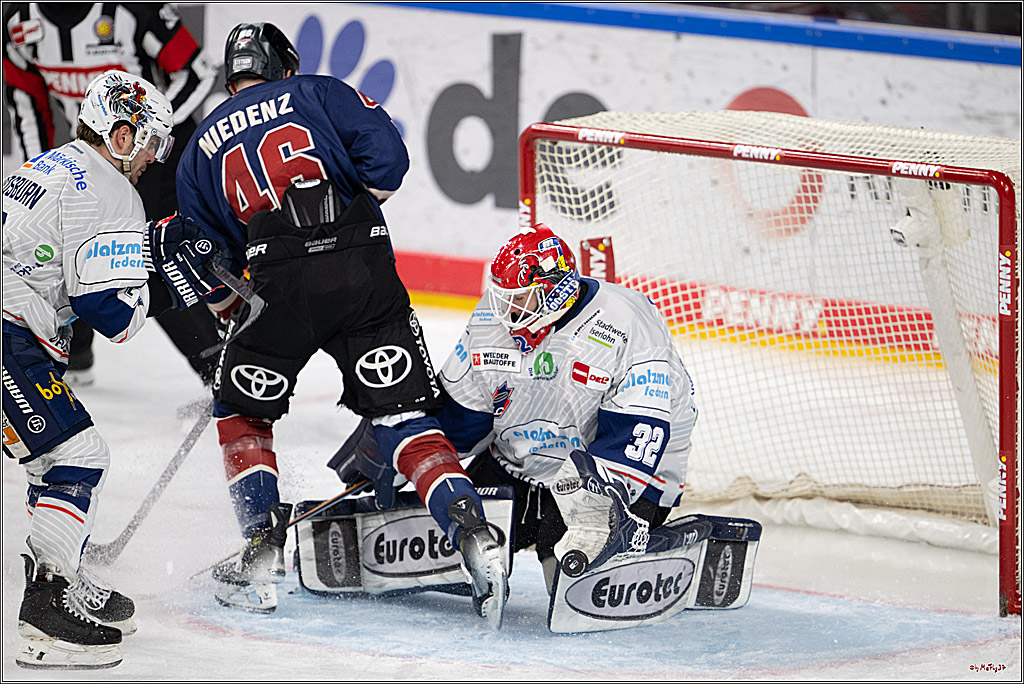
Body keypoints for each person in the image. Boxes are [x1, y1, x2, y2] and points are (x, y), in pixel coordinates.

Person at [175, 22, 506, 624]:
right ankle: (474, 536)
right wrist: (342, 220)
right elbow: (390, 163)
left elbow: (203, 252)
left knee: (243, 415)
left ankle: (259, 553)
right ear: (285, 64)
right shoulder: (320, 91)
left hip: (277, 284)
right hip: (364, 271)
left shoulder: (199, 145)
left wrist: (233, 311)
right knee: (403, 417)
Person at [3, 70, 226, 669]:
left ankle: (65, 577)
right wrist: (163, 270)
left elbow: (65, 261)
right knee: (79, 457)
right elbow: (117, 320)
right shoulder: (115, 194)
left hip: (13, 325)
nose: (154, 157)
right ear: (121, 134)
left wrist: (142, 252)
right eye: (150, 140)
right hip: (8, 334)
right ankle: (45, 611)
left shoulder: (50, 164)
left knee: (54, 458)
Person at [434, 224, 697, 591]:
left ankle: (642, 552)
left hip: (623, 473)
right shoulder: (493, 320)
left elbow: (637, 435)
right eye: (502, 297)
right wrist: (416, 456)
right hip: (522, 463)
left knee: (563, 561)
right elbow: (463, 417)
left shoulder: (626, 324)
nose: (505, 310)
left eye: (519, 298)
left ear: (554, 293)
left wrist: (589, 516)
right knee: (457, 524)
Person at [3, 2, 223, 387]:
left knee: (144, 260)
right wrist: (46, 172)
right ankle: (72, 350)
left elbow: (198, 73)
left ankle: (214, 363)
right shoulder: (17, 22)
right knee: (83, 250)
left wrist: (152, 137)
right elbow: (27, 102)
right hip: (91, 151)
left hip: (146, 156)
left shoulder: (136, 11)